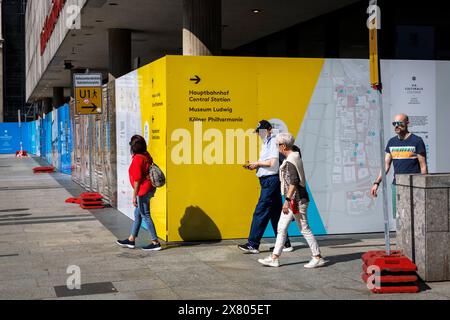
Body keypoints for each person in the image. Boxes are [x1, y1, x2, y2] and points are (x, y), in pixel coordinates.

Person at [258, 133, 326, 268]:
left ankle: (317, 257)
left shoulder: (290, 161)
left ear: (283, 146)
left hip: (297, 201)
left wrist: (287, 200)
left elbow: (294, 182)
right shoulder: (295, 155)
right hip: (295, 200)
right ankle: (274, 258)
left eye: (278, 145)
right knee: (281, 228)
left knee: (304, 229)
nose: (277, 148)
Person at [238, 120, 292, 254]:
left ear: (268, 129)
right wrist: (255, 164)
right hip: (268, 181)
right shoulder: (267, 142)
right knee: (275, 214)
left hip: (271, 181)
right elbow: (268, 162)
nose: (259, 134)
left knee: (260, 211)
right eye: (258, 132)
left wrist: (257, 164)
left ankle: (253, 244)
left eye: (261, 131)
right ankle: (285, 244)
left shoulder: (273, 142)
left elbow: (273, 164)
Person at [371, 114, 428, 216]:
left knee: (415, 215)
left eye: (400, 123)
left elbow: (423, 166)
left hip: (414, 185)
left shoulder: (417, 141)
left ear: (407, 123)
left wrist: (423, 186)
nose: (396, 126)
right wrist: (377, 182)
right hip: (397, 185)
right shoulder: (391, 142)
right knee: (399, 217)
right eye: (394, 123)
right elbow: (386, 165)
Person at [117, 135, 162, 251]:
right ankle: (131, 239)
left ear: (133, 147)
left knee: (146, 215)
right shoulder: (146, 155)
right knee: (138, 214)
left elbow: (137, 180)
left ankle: (155, 242)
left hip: (143, 190)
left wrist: (134, 196)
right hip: (149, 188)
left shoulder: (138, 159)